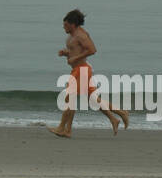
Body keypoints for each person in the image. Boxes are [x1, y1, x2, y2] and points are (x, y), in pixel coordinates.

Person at [50, 9, 128, 137]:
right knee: (92, 100)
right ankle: (118, 116)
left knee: (69, 98)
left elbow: (92, 49)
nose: (63, 27)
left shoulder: (81, 35)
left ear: (72, 24)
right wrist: (67, 54)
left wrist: (75, 58)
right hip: (78, 69)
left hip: (82, 69)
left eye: (65, 25)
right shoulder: (73, 36)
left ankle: (61, 128)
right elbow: (77, 51)